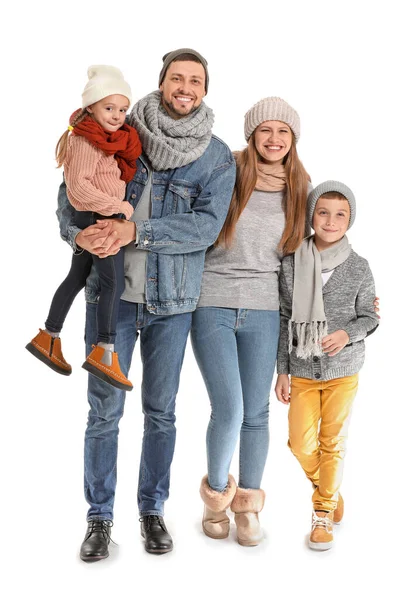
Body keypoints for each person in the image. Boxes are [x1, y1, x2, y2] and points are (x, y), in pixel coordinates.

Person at [56, 49, 236, 560]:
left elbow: (206, 226)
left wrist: (137, 229)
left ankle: (152, 509)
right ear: (161, 84)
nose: (185, 86)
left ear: (205, 89)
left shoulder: (217, 156)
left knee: (161, 412)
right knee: (103, 413)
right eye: (176, 78)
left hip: (173, 303)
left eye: (195, 80)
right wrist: (78, 235)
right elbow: (68, 198)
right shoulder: (114, 130)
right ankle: (99, 518)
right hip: (109, 300)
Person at [191, 97, 311, 546]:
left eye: (283, 131)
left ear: (293, 139)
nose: (274, 139)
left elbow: (304, 261)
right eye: (266, 130)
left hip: (264, 309)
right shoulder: (227, 171)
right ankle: (216, 494)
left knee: (257, 413)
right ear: (252, 135)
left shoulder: (300, 186)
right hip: (213, 301)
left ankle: (247, 505)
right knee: (230, 408)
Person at [275, 180, 379, 551]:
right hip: (302, 371)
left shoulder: (359, 267)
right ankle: (330, 490)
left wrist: (346, 334)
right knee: (300, 444)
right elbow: (285, 318)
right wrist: (282, 370)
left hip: (342, 371)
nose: (331, 221)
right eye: (323, 212)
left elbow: (370, 316)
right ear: (311, 215)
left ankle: (322, 514)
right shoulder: (291, 264)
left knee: (332, 443)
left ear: (350, 220)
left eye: (340, 214)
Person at [26, 65, 142, 391]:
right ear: (91, 107)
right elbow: (77, 189)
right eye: (109, 108)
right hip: (97, 218)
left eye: (122, 109)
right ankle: (104, 352)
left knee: (77, 278)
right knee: (113, 284)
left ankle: (48, 338)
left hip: (93, 218)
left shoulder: (102, 140)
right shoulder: (83, 141)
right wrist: (117, 207)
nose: (118, 115)